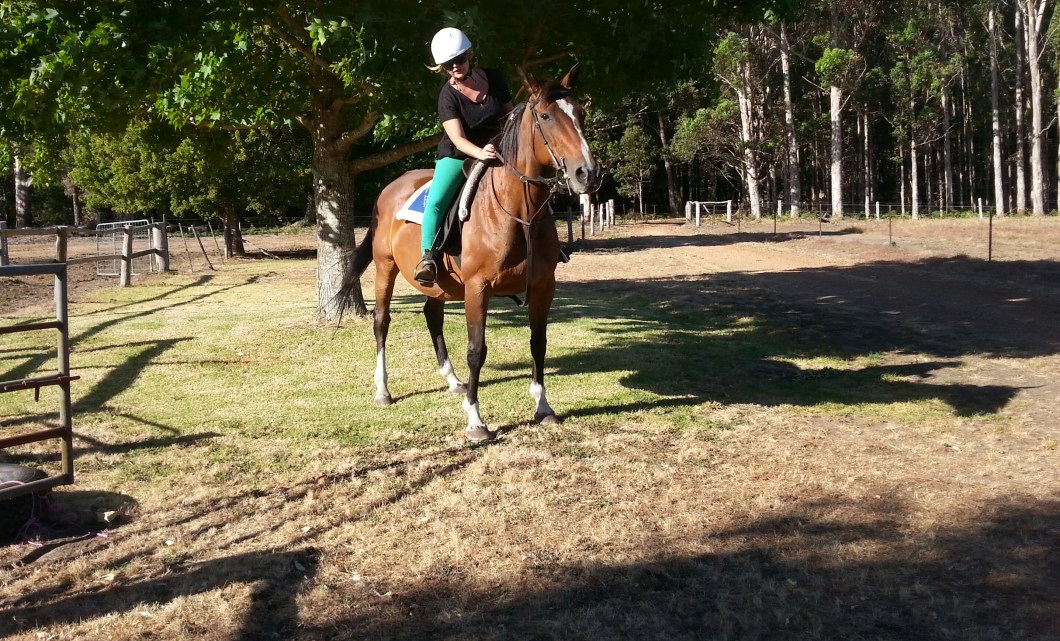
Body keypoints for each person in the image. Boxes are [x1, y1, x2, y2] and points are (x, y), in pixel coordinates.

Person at [413, 27, 514, 286]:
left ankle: (549, 244)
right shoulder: (447, 96)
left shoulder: (494, 78)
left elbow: (510, 116)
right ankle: (428, 258)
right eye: (448, 64)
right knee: (435, 202)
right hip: (460, 155)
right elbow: (457, 139)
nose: (455, 66)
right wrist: (481, 153)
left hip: (500, 149)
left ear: (470, 55)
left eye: (459, 59)